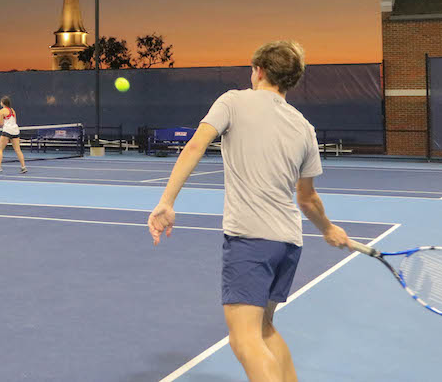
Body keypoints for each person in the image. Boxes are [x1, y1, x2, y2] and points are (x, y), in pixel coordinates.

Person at [148, 41, 350, 382]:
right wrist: (328, 229)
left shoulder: (232, 101)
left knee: (244, 339)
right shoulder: (304, 127)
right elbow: (308, 200)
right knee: (266, 328)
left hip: (250, 240)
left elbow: (196, 144)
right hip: (288, 243)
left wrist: (166, 201)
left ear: (258, 70)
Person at [0, 96, 26, 174]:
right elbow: (14, 121)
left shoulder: (1, 111)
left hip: (7, 131)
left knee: (0, 149)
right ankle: (23, 167)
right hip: (15, 131)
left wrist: (3, 125)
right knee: (18, 150)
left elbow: (1, 123)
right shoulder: (13, 110)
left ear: (3, 103)